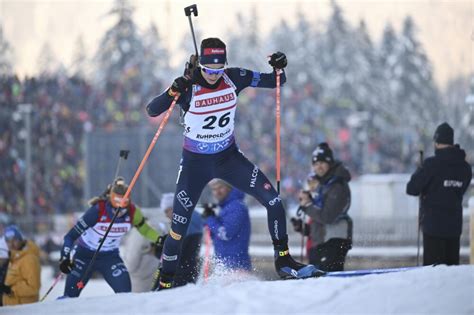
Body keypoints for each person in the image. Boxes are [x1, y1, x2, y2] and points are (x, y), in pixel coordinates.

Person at [147, 37, 317, 289]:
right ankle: (165, 281)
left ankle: (284, 262)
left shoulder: (234, 77)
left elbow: (276, 82)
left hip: (228, 159)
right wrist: (173, 89)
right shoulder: (188, 87)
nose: (214, 75)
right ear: (200, 65)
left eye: (218, 69)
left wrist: (279, 68)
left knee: (274, 202)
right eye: (208, 70)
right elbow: (152, 110)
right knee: (178, 228)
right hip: (195, 165)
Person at [59, 178, 167, 297]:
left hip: (109, 257)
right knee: (70, 295)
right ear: (110, 202)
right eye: (115, 209)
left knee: (125, 292)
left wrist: (160, 238)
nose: (119, 213)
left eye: (123, 209)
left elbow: (145, 230)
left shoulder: (133, 212)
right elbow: (70, 236)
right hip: (84, 255)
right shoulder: (97, 210)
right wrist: (65, 258)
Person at [407, 122, 472, 266]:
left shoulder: (431, 165)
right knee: (451, 273)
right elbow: (461, 189)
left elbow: (411, 188)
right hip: (454, 229)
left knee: (433, 275)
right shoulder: (465, 168)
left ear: (436, 142)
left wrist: (420, 170)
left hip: (433, 229)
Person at [295, 143, 352, 272]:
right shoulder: (324, 184)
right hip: (322, 241)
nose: (318, 166)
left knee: (328, 282)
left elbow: (327, 217)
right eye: (315, 164)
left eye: (322, 162)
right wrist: (305, 229)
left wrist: (308, 204)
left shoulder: (336, 185)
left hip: (334, 240)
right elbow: (320, 218)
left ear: (330, 163)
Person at [153, 193, 203, 288]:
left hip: (181, 273)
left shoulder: (184, 223)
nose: (167, 215)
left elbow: (176, 253)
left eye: (168, 211)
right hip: (190, 270)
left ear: (175, 207)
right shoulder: (192, 217)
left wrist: (158, 251)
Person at [202, 179, 251, 271]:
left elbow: (226, 233)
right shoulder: (225, 207)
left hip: (236, 265)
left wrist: (210, 219)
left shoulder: (236, 207)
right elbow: (216, 235)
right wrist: (208, 221)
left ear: (229, 188)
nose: (217, 192)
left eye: (220, 187)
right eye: (214, 189)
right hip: (225, 263)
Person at [1, 225, 41, 306]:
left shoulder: (29, 259)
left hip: (24, 308)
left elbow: (33, 288)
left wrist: (10, 289)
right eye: (8, 241)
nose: (11, 244)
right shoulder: (14, 259)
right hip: (13, 306)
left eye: (14, 240)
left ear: (21, 239)